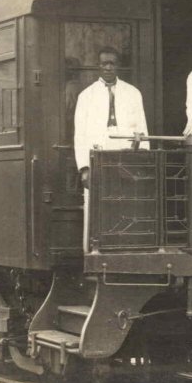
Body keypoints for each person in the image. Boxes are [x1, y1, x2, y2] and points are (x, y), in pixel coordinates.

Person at [74, 46, 149, 251]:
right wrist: (84, 168)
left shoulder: (133, 93)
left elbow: (141, 128)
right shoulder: (86, 96)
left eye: (112, 63)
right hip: (98, 157)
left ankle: (124, 247)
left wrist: (141, 158)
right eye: (104, 63)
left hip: (125, 157)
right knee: (100, 205)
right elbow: (79, 134)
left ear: (118, 66)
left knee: (125, 203)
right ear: (98, 66)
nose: (108, 67)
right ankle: (97, 250)